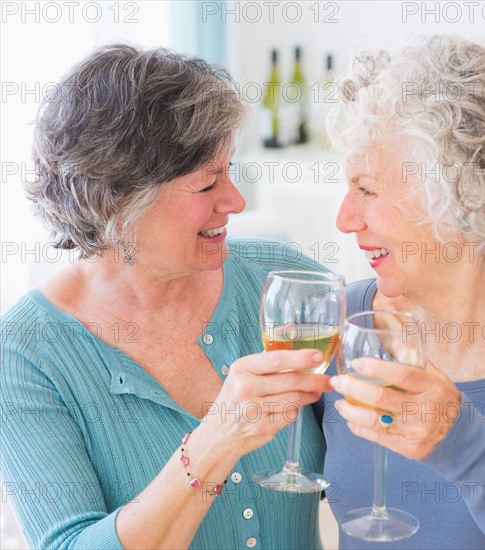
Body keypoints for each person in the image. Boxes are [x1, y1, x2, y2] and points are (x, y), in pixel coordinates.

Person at [0, 44, 333, 549]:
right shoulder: (28, 350)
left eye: (231, 170)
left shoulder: (279, 277)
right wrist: (214, 442)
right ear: (118, 200)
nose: (236, 202)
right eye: (206, 185)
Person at [322, 35, 485, 549]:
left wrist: (461, 443)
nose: (344, 219)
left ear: (462, 190)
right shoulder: (342, 328)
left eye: (368, 189)